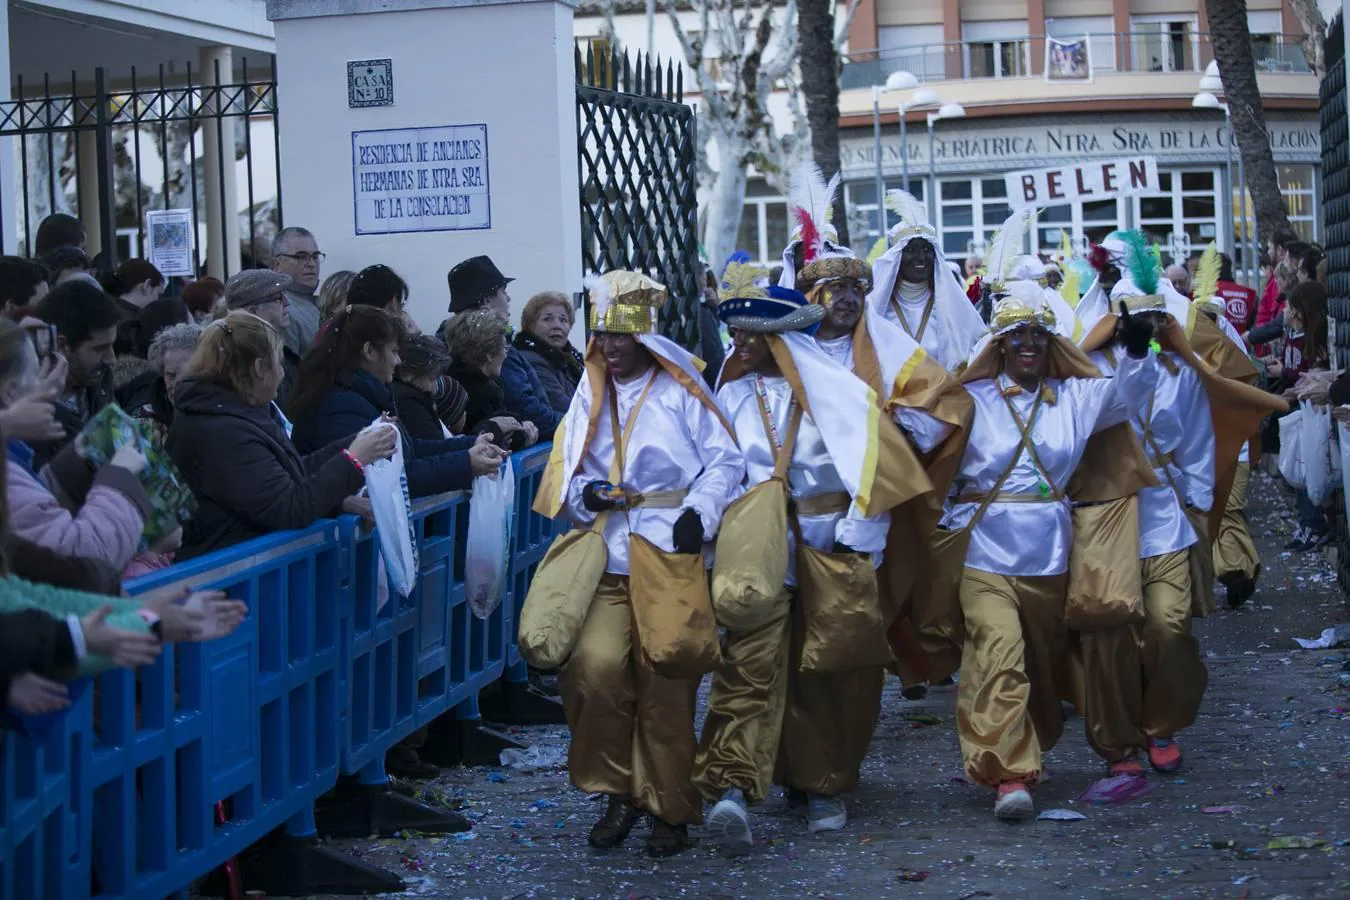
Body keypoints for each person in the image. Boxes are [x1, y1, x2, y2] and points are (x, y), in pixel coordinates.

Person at [693, 271, 934, 849]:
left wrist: (858, 538)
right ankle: (732, 785)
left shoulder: (841, 391)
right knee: (747, 661)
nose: (740, 347)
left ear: (781, 339)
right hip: (758, 550)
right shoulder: (730, 395)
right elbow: (721, 470)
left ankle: (820, 783)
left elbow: (874, 471)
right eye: (738, 337)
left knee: (826, 671)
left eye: (752, 338)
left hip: (831, 546)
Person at [534, 270, 743, 857]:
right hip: (606, 556)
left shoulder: (681, 391)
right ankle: (617, 789)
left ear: (644, 336)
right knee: (593, 669)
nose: (613, 347)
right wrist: (587, 496)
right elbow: (569, 473)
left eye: (622, 336)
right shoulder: (586, 393)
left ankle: (669, 806)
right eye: (604, 335)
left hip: (669, 554)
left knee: (667, 684)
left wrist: (699, 511)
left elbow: (725, 463)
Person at [948, 287, 1160, 820]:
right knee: (997, 652)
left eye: (1038, 335)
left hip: (1051, 554)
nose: (1028, 344)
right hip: (982, 549)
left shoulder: (1073, 397)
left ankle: (1034, 736)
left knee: (1039, 665)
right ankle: (1011, 776)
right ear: (998, 344)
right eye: (1016, 334)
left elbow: (1127, 400)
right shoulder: (970, 398)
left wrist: (1136, 353)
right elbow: (922, 437)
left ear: (1050, 344)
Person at [167, 312, 397, 558]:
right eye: (279, 363)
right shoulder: (222, 431)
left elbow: (290, 472)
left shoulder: (235, 414)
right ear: (259, 368)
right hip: (234, 580)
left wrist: (359, 440)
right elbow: (290, 508)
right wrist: (354, 460)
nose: (283, 373)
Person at [288, 305, 505, 497]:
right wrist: (466, 464)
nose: (398, 361)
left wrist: (470, 444)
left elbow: (410, 449)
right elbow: (390, 476)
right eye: (393, 351)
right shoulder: (340, 406)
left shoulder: (361, 395)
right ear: (369, 351)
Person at [866, 188, 988, 371]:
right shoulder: (877, 306)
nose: (921, 258)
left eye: (926, 250)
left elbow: (973, 352)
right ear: (897, 257)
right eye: (911, 250)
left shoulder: (951, 305)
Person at [447, 255, 561, 438]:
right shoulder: (486, 345)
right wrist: (573, 427)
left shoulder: (463, 340)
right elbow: (525, 408)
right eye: (503, 291)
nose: (508, 298)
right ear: (485, 301)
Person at [1267, 281, 1331, 551]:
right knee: (1297, 468)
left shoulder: (1312, 338)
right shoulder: (1292, 335)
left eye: (1289, 306)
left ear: (1299, 311)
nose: (1284, 311)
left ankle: (1314, 524)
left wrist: (1284, 376)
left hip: (1307, 407)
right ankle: (1307, 522)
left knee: (1308, 468)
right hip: (1294, 403)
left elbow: (1306, 371)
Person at [30, 280, 121, 469]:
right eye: (100, 348)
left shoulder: (99, 383)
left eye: (112, 346)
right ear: (62, 345)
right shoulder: (25, 411)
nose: (111, 359)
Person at [443, 309, 537, 448]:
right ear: (489, 354)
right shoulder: (478, 393)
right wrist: (524, 434)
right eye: (504, 348)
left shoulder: (452, 381)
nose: (506, 355)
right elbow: (497, 439)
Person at [223, 269, 300, 407]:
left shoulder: (276, 351)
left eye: (285, 295)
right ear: (253, 311)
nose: (287, 303)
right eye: (279, 298)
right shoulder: (242, 356)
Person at [118, 322, 203, 446]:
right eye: (170, 375)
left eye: (188, 375)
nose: (177, 383)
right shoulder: (145, 421)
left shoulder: (220, 410)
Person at [513, 291, 583, 413]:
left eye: (563, 320)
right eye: (547, 319)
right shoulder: (532, 360)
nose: (557, 326)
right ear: (530, 325)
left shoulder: (571, 358)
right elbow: (566, 409)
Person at [270, 226, 324, 356]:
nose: (311, 264)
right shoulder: (281, 310)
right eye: (301, 256)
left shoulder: (319, 302)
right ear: (277, 265)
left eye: (315, 256)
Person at [393, 334, 455, 441]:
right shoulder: (408, 402)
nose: (434, 389)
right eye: (432, 378)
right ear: (415, 372)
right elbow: (434, 443)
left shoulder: (402, 391)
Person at [103, 258, 166, 356]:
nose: (158, 300)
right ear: (147, 285)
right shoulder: (135, 324)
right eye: (158, 294)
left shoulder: (106, 311)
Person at [1214, 252, 1257, 336]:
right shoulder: (1250, 294)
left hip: (1216, 346)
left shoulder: (1207, 293)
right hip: (1243, 346)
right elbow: (1255, 325)